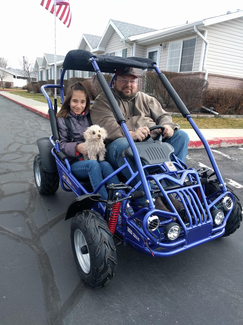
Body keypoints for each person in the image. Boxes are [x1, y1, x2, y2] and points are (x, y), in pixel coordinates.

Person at [90, 67, 190, 210]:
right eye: (124, 80)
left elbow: (163, 116)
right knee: (124, 145)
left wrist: (167, 126)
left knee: (181, 136)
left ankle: (170, 187)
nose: (128, 84)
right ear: (115, 82)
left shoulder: (146, 99)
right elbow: (106, 127)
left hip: (152, 144)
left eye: (132, 81)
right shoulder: (104, 100)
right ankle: (149, 197)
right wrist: (131, 134)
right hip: (119, 147)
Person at [56, 82, 119, 201]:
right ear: (68, 101)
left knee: (105, 164)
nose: (78, 105)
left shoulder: (91, 116)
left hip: (93, 154)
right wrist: (76, 147)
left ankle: (120, 198)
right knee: (93, 165)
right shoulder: (63, 119)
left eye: (82, 102)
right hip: (75, 162)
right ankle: (104, 202)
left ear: (87, 103)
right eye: (75, 101)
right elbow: (61, 144)